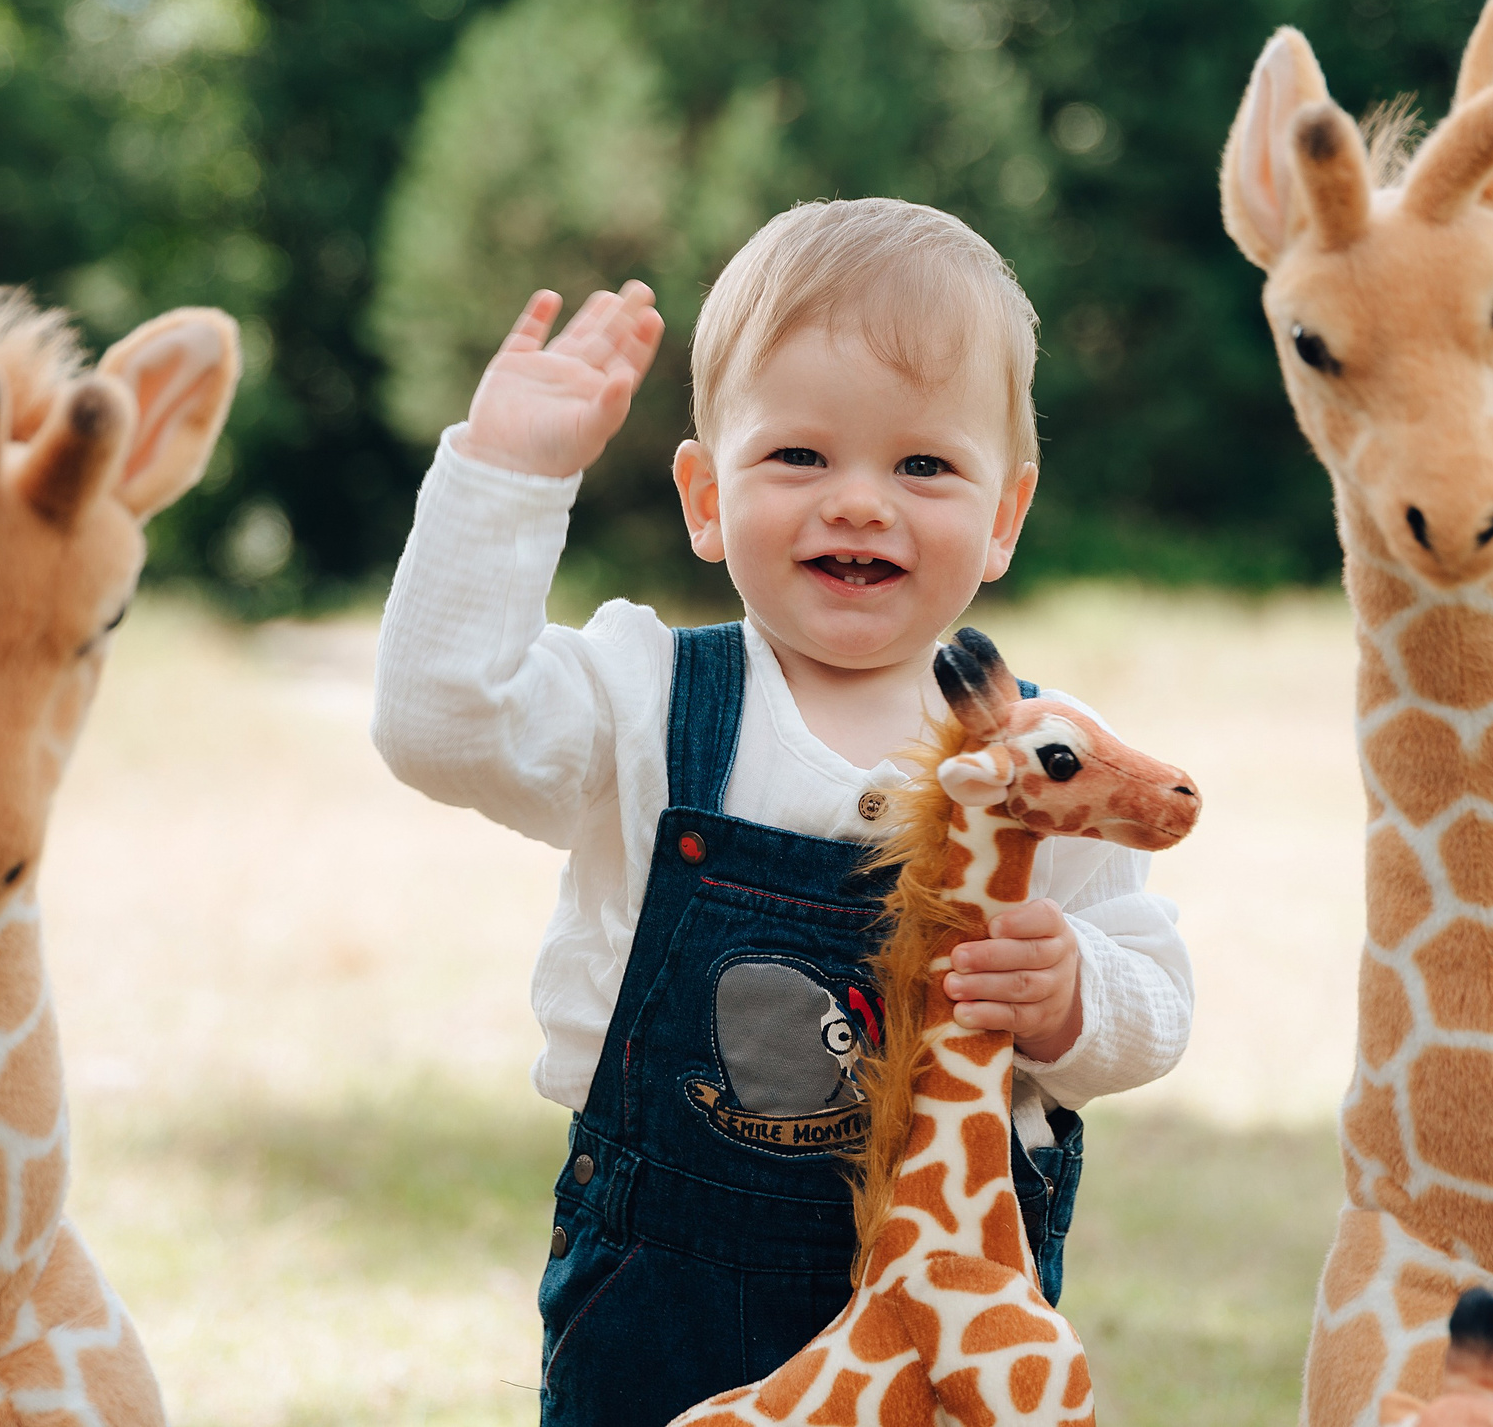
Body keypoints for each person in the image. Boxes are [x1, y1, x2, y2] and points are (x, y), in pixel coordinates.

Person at [373, 198, 1193, 1427]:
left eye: (922, 463)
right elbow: (437, 724)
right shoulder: (644, 698)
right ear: (705, 497)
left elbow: (1157, 1002)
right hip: (666, 1296)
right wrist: (507, 480)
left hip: (952, 1302)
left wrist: (1075, 992)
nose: (860, 501)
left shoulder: (1039, 757)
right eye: (798, 456)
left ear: (1005, 514)